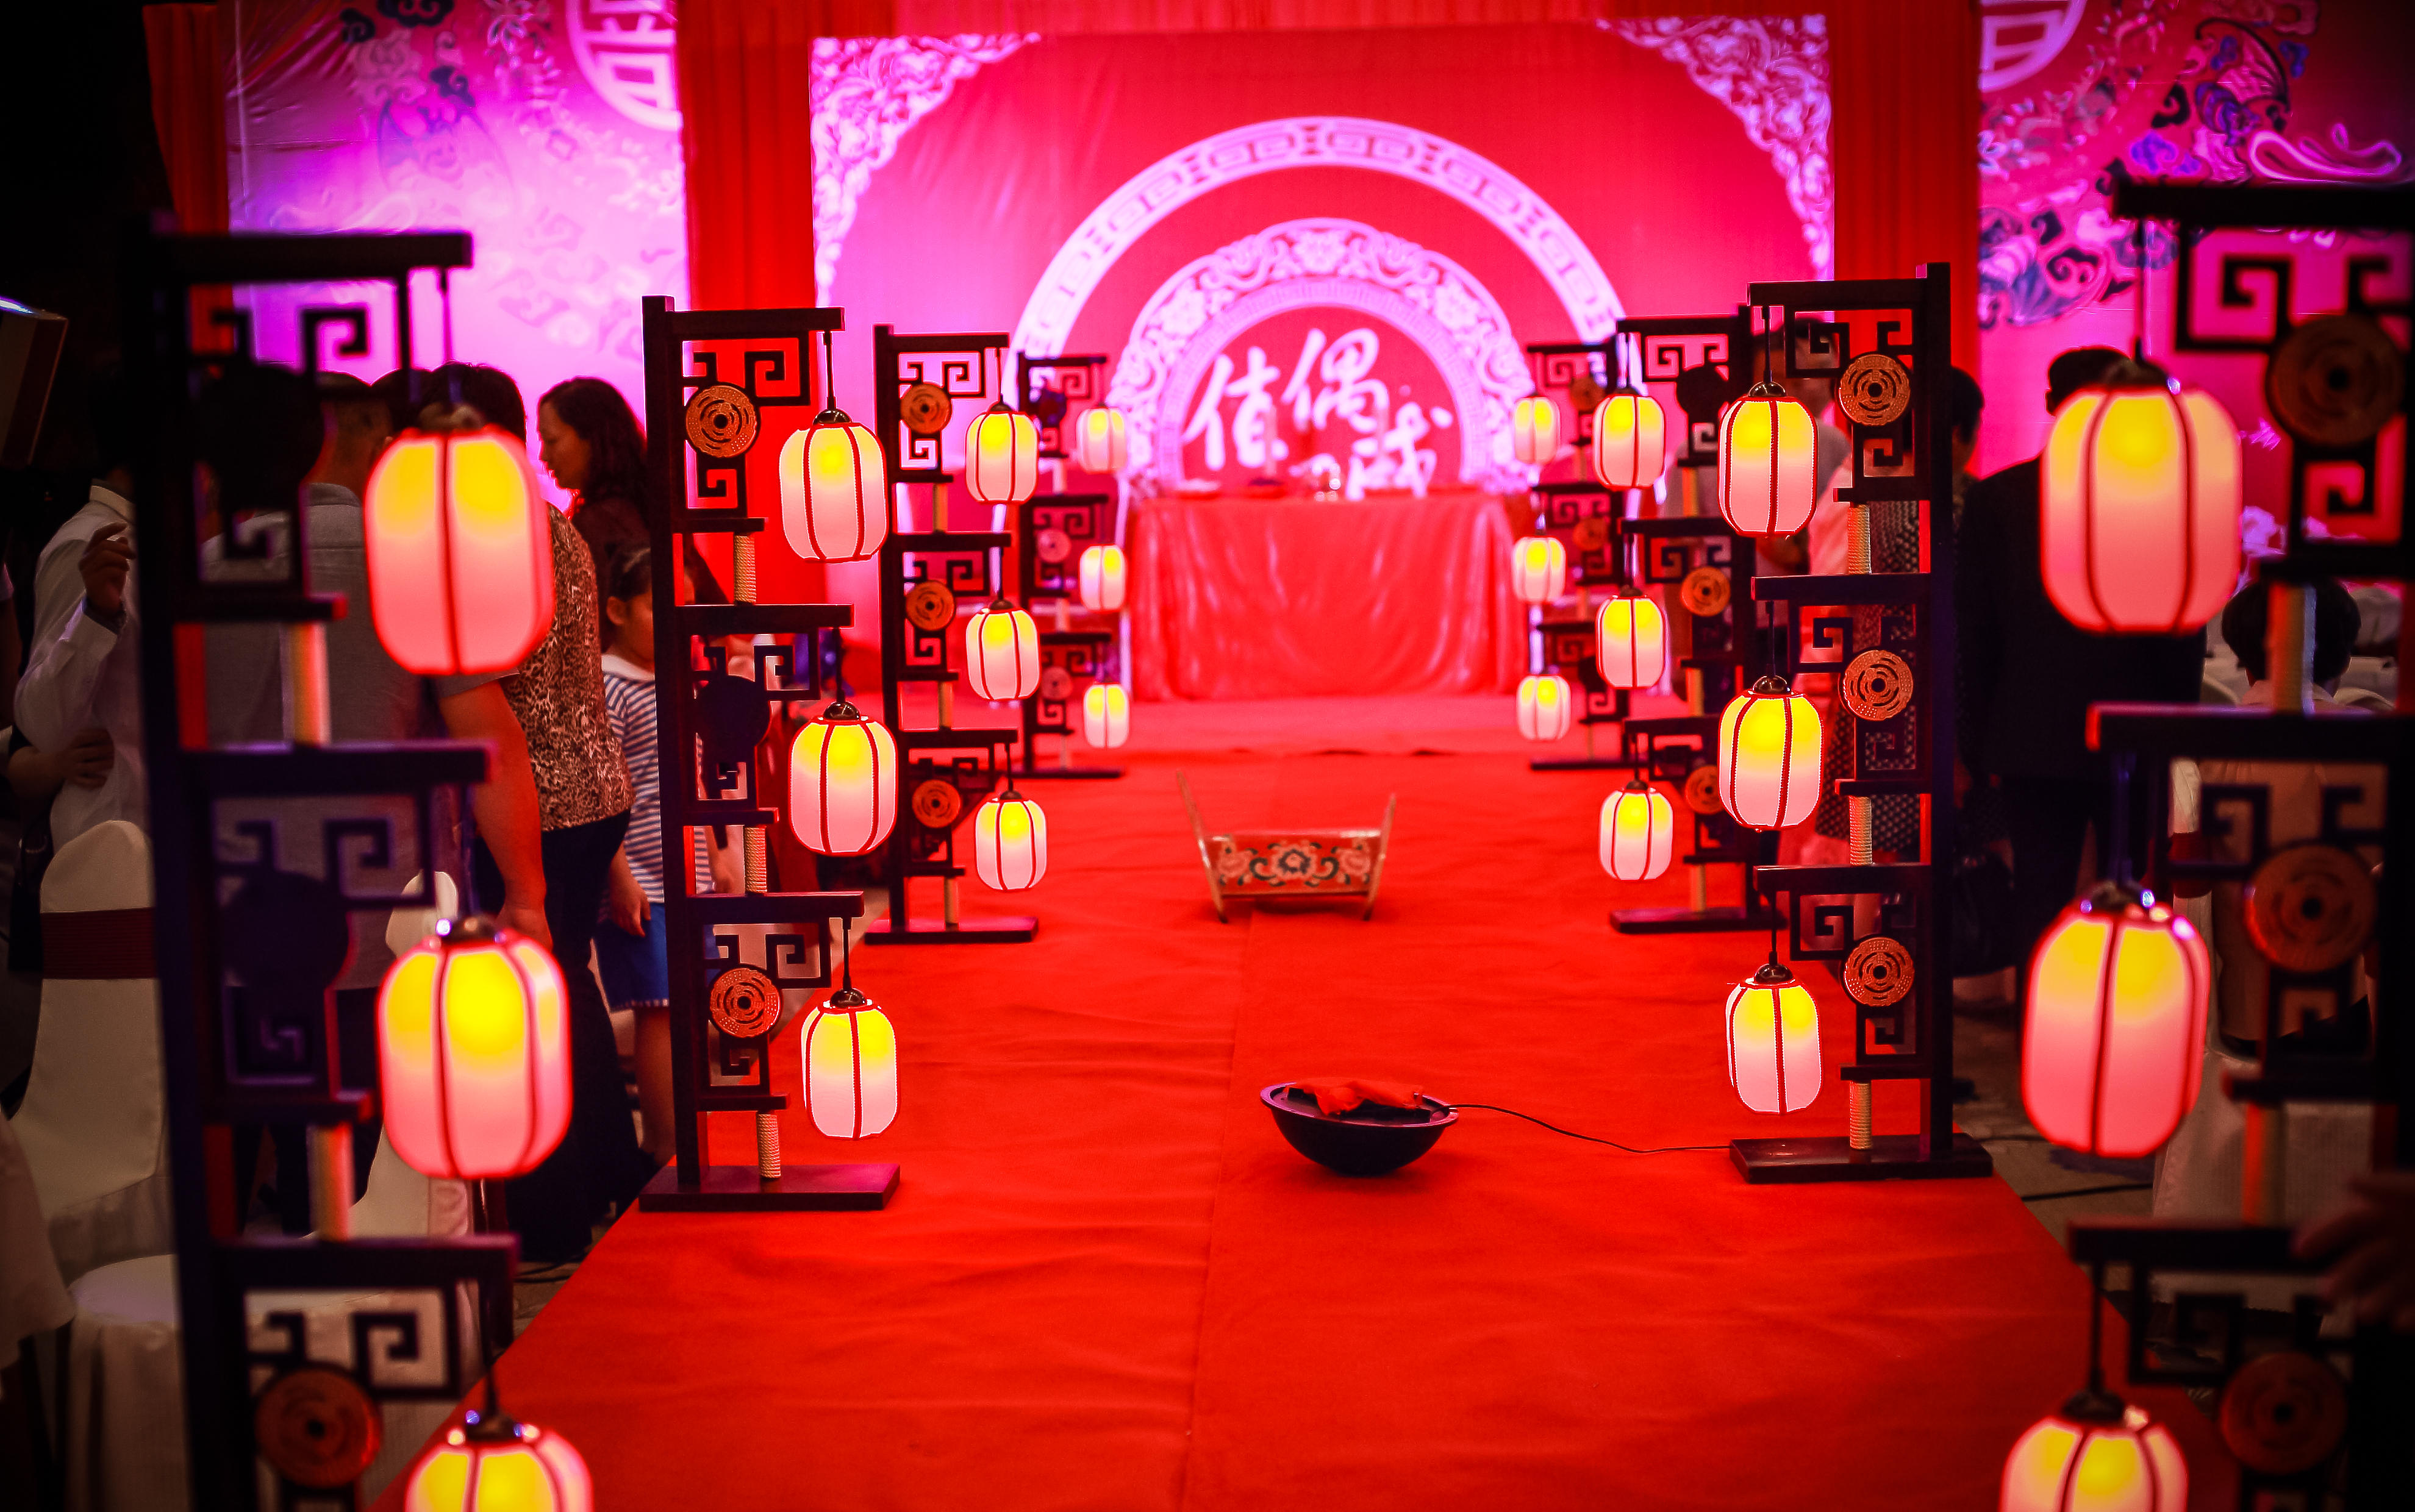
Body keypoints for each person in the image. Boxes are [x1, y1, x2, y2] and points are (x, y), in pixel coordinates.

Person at [207, 369, 556, 1228]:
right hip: (382, 914)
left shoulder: (203, 569)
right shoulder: (405, 567)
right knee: (376, 1184)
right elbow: (492, 746)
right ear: (358, 436)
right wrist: (526, 895)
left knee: (256, 1175)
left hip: (237, 912)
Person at [451, 368, 649, 1260]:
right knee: (564, 984)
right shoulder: (549, 520)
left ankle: (554, 1216)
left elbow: (485, 686)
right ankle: (610, 1173)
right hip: (590, 787)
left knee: (536, 998)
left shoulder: (493, 527)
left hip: (538, 798)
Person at [1955, 348, 2206, 975]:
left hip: (2030, 731)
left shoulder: (1998, 499)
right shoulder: (2159, 494)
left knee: (2039, 897)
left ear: (2050, 406)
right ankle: (2126, 1017)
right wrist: (2180, 729)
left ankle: (2041, 1028)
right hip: (2135, 727)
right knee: (2133, 894)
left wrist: (1978, 743)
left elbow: (1974, 634)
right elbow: (2183, 628)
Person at [16, 370, 152, 849]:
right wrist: (96, 615)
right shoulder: (86, 542)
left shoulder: (155, 540)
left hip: (151, 833)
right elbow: (43, 722)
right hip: (108, 840)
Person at [594, 547, 676, 1163]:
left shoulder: (668, 675)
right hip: (640, 875)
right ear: (618, 610)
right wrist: (619, 876)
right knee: (660, 1009)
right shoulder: (610, 682)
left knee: (682, 1005)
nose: (671, 618)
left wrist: (714, 855)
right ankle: (662, 1146)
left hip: (682, 868)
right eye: (656, 605)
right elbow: (605, 786)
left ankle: (678, 1138)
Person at [535, 376, 724, 639]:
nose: (544, 456)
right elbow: (716, 615)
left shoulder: (597, 523)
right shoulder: (654, 507)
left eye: (552, 441)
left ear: (592, 440)